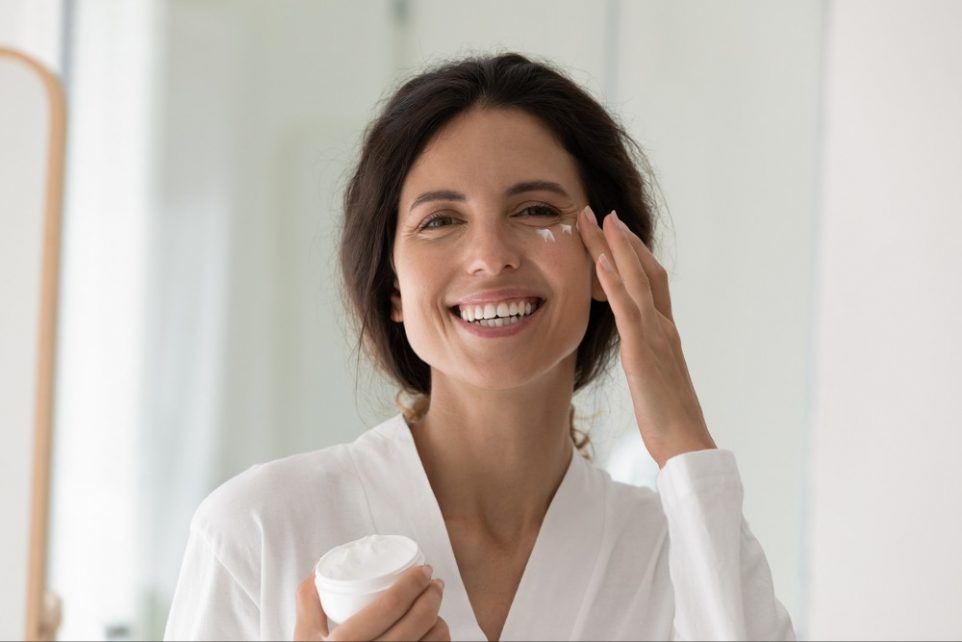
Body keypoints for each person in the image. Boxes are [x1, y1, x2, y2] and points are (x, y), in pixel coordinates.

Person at [164, 52, 795, 641]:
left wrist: (683, 437)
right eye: (440, 220)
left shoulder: (675, 550)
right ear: (392, 287)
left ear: (608, 260)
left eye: (535, 209)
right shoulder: (258, 532)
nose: (491, 257)